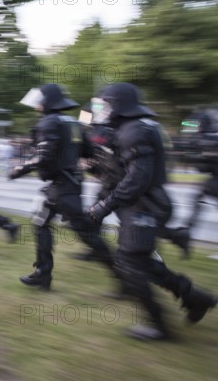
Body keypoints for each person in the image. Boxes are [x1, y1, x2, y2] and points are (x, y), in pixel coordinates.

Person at [87, 82, 216, 340]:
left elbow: (137, 179)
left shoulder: (135, 130)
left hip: (144, 205)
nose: (101, 110)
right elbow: (121, 168)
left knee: (128, 262)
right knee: (140, 261)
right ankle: (194, 297)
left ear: (120, 105)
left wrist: (104, 205)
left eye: (106, 104)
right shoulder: (131, 127)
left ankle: (159, 325)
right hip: (142, 204)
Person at [9, 83, 116, 290]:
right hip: (66, 185)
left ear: (47, 101)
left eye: (39, 100)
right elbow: (89, 152)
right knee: (40, 222)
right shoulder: (72, 122)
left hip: (63, 188)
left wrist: (18, 170)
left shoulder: (49, 122)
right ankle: (42, 274)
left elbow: (43, 156)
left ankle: (126, 276)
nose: (36, 105)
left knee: (88, 235)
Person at [80, 98, 191, 259]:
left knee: (141, 223)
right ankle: (99, 250)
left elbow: (122, 165)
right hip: (115, 185)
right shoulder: (104, 128)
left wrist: (96, 166)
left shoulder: (114, 132)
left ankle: (167, 245)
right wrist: (93, 167)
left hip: (127, 187)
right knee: (105, 215)